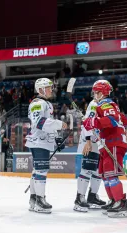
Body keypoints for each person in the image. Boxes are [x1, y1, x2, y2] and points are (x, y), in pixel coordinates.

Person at [83, 80, 127, 218]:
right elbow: (124, 122)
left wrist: (94, 122)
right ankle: (113, 201)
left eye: (96, 92)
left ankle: (120, 203)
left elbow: (112, 119)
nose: (94, 94)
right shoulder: (104, 105)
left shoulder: (106, 103)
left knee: (111, 174)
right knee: (105, 175)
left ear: (102, 92)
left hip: (113, 143)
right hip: (106, 144)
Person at [25, 78, 67, 214]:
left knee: (37, 170)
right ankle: (39, 200)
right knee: (41, 170)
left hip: (42, 141)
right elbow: (39, 122)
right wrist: (59, 124)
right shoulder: (37, 103)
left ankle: (33, 199)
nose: (51, 89)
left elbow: (46, 125)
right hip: (38, 141)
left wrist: (56, 139)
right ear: (41, 89)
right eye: (48, 87)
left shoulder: (46, 104)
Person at [74, 99, 106, 212]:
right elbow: (88, 123)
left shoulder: (104, 104)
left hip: (98, 141)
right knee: (87, 170)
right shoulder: (94, 104)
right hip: (90, 142)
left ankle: (92, 197)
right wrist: (88, 140)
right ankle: (79, 198)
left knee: (98, 171)